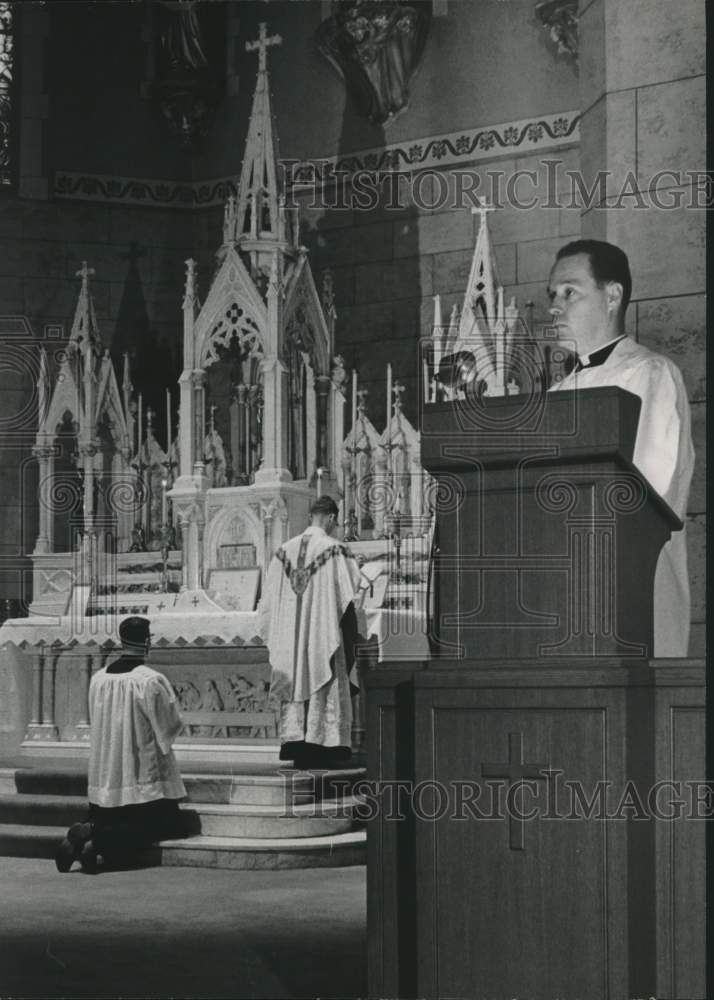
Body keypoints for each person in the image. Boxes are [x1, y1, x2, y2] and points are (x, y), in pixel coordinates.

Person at [547, 239, 695, 657]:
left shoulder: (651, 375)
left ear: (613, 296)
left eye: (569, 292)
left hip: (627, 591)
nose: (554, 306)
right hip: (559, 597)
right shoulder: (557, 391)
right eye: (552, 296)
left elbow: (650, 491)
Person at [55, 616, 186, 872]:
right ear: (147, 642)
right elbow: (169, 723)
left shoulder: (99, 678)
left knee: (109, 811)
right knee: (164, 825)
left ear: (121, 640)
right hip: (137, 766)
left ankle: (88, 829)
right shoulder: (149, 679)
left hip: (107, 767)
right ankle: (99, 841)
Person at [256, 495, 363, 768]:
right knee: (323, 671)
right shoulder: (335, 550)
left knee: (294, 672)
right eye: (334, 522)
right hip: (321, 634)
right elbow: (348, 597)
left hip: (290, 640)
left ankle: (294, 741)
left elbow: (267, 604)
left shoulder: (282, 552)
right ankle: (325, 743)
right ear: (330, 518)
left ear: (310, 517)